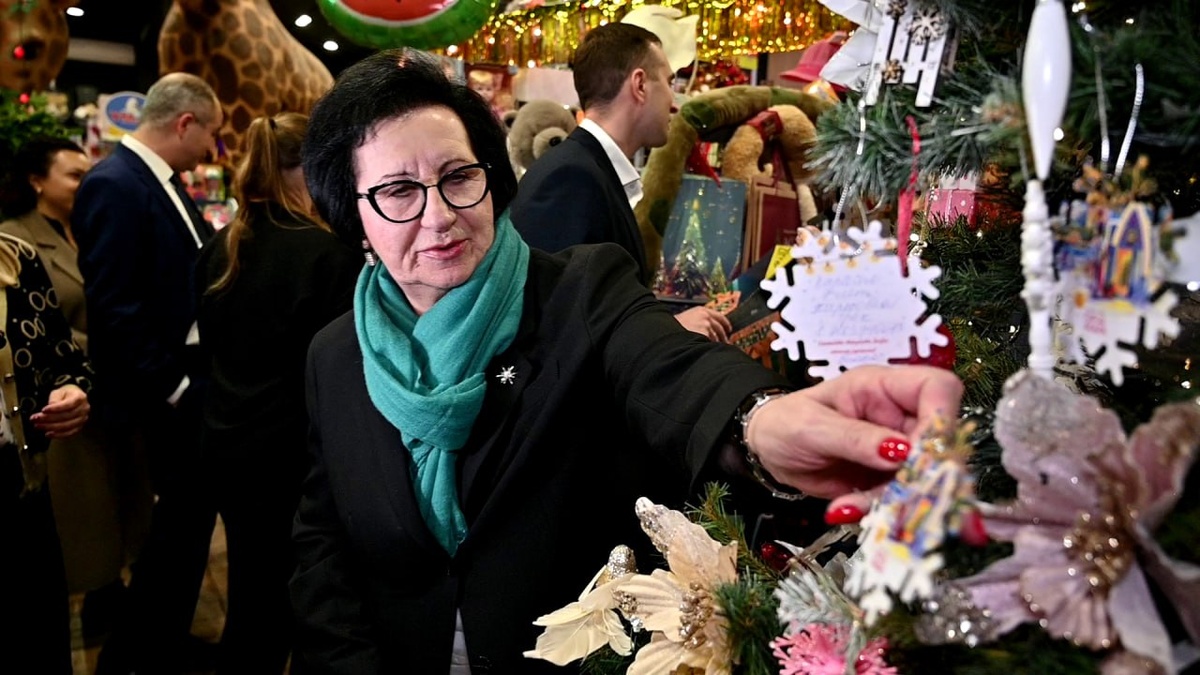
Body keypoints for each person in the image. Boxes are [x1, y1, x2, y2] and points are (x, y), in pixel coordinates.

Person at [291, 48, 963, 674]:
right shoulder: (336, 355)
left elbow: (665, 365)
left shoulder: (580, 292)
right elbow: (323, 542)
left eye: (458, 177)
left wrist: (759, 421)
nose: (439, 214)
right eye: (399, 191)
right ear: (354, 212)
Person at [196, 112, 361, 673]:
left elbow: (209, 350)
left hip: (229, 446)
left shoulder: (221, 247)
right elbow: (340, 374)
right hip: (293, 457)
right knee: (301, 601)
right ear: (309, 168)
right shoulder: (327, 254)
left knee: (251, 595)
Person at [72, 72, 223, 673]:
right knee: (174, 529)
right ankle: (137, 654)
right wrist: (175, 385)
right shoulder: (115, 183)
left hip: (178, 379)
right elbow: (115, 304)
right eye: (211, 134)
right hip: (157, 392)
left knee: (184, 527)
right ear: (185, 123)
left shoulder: (158, 180)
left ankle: (159, 642)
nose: (212, 149)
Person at [0, 137, 154, 645]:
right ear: (36, 182)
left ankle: (112, 614)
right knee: (83, 521)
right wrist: (112, 343)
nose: (86, 183)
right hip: (56, 403)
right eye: (74, 175)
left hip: (102, 393)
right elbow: (35, 329)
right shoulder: (14, 243)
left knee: (118, 510)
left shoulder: (85, 226)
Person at [509, 22, 731, 342]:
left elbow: (599, 305)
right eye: (669, 81)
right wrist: (667, 329)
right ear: (639, 85)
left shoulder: (587, 170)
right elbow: (556, 329)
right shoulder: (570, 178)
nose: (674, 101)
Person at [0, 231, 93, 674]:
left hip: (21, 486)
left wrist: (71, 390)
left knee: (37, 640)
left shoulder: (16, 257)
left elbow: (64, 359)